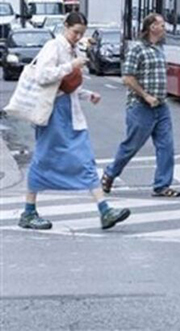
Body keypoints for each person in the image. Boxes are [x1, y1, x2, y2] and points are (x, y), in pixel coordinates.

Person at [19, 12, 131, 230]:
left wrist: (87, 94)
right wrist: (72, 66)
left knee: (85, 158)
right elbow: (43, 76)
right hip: (53, 114)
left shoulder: (72, 49)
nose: (78, 37)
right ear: (65, 27)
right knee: (43, 159)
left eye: (81, 34)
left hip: (67, 112)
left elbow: (66, 87)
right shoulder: (54, 46)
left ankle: (104, 209)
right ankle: (29, 211)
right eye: (75, 32)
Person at [102, 13, 180, 198]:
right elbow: (127, 77)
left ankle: (162, 185)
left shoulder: (159, 48)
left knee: (166, 146)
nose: (164, 28)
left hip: (161, 106)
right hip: (140, 106)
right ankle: (110, 173)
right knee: (131, 145)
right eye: (161, 24)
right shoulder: (137, 49)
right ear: (152, 27)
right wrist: (145, 96)